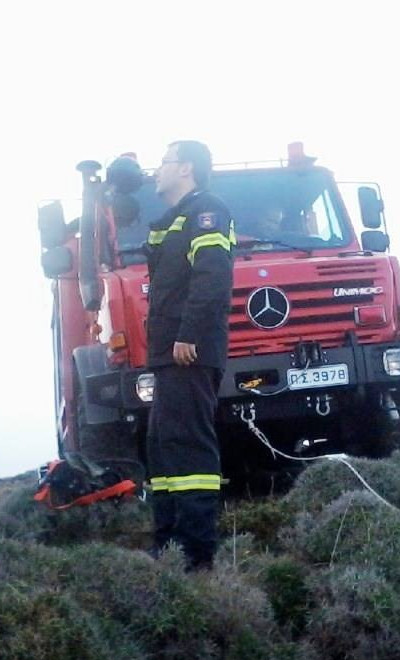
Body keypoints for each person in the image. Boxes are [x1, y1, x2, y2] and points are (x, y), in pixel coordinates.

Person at [145, 140, 234, 570]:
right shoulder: (170, 220)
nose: (155, 170)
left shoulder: (208, 211)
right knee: (163, 451)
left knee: (191, 450)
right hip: (166, 353)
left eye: (163, 163)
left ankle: (198, 558)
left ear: (185, 168)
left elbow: (211, 278)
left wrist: (189, 336)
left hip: (188, 350)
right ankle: (167, 547)